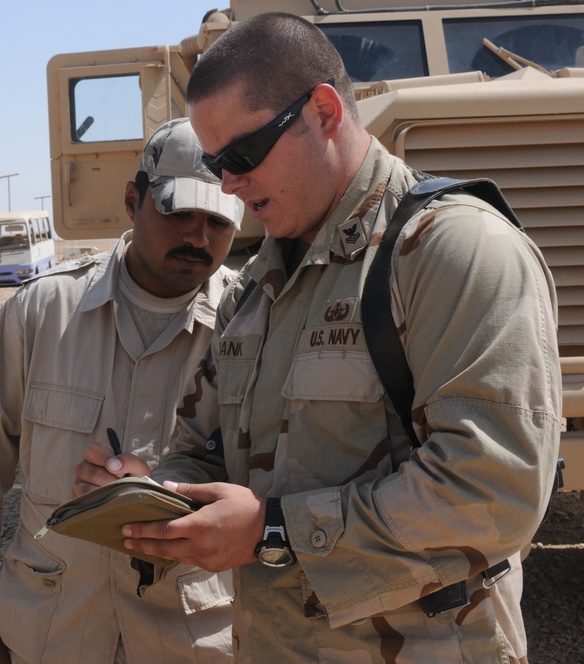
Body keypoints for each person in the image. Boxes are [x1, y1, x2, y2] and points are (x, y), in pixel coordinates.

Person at [74, 13, 561, 662]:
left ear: (325, 112)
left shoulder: (450, 250)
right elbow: (209, 447)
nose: (229, 186)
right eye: (217, 163)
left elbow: (496, 492)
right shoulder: (258, 287)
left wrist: (271, 530)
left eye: (241, 157)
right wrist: (158, 493)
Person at [0, 118, 243, 664]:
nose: (199, 236)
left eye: (218, 219)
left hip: (193, 639)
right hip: (52, 633)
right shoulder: (41, 312)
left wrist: (169, 490)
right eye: (179, 212)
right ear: (134, 200)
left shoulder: (251, 325)